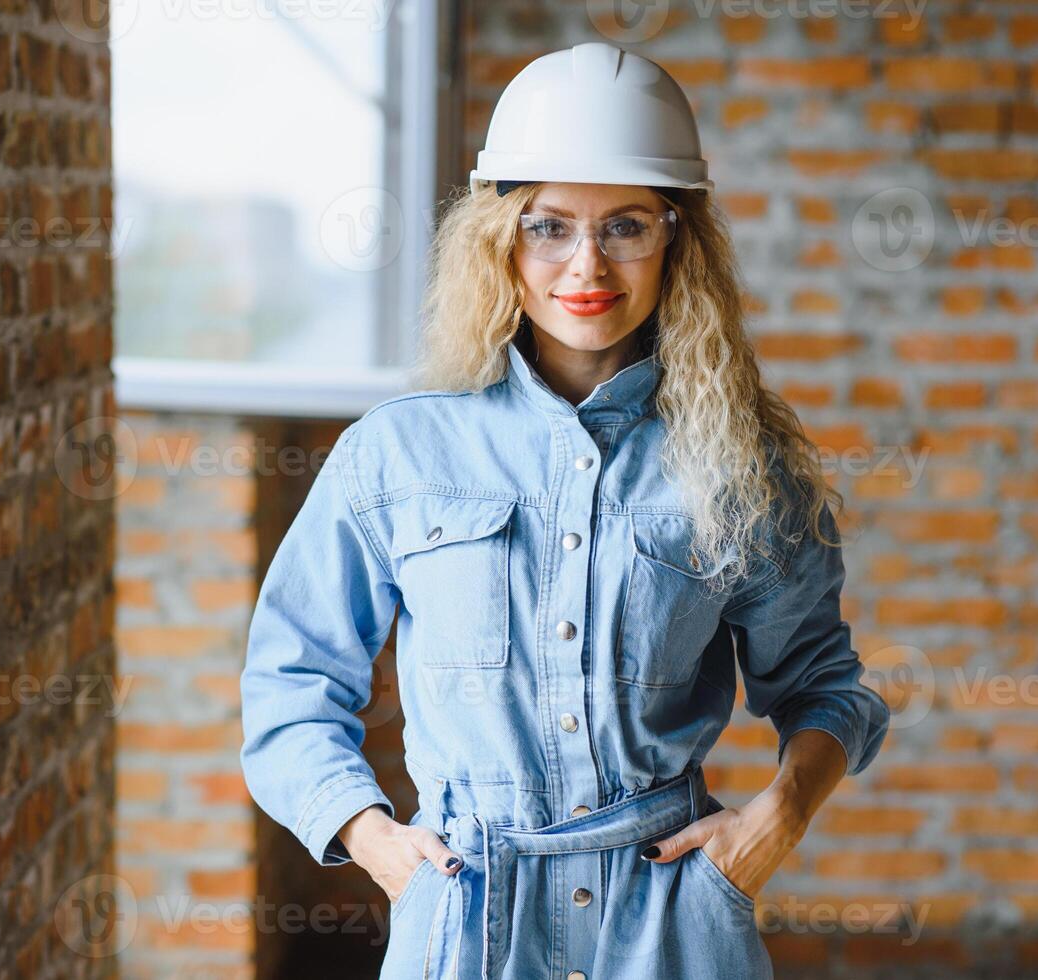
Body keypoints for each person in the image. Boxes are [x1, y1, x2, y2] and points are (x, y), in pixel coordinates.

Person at [239, 41, 891, 979]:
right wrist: (378, 844)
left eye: (625, 223)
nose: (587, 263)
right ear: (500, 237)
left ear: (676, 237)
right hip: (466, 919)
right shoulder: (397, 453)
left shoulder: (746, 465)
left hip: (672, 923)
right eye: (549, 225)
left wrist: (775, 822)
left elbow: (826, 683)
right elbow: (289, 684)